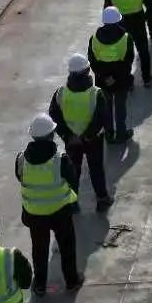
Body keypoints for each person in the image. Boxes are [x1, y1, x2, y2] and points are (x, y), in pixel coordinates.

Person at [17, 115, 82, 293]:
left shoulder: (21, 159)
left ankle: (39, 285)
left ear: (33, 136)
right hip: (60, 212)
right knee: (67, 247)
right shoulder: (61, 159)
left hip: (34, 215)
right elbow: (73, 180)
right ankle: (72, 281)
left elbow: (20, 178)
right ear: (51, 135)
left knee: (39, 250)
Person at [49, 54, 113, 212]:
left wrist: (68, 135)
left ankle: (72, 203)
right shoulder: (96, 93)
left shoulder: (60, 94)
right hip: (93, 140)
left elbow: (54, 116)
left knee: (73, 172)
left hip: (71, 141)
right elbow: (102, 118)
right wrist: (88, 135)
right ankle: (102, 199)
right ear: (88, 70)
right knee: (96, 169)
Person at [87, 6, 135, 142]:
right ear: (118, 20)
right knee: (120, 108)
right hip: (121, 80)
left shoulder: (94, 39)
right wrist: (114, 77)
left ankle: (108, 134)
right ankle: (121, 134)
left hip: (102, 81)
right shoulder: (126, 38)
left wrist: (105, 77)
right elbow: (128, 61)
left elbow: (92, 61)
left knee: (106, 108)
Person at [105, 0, 152, 86]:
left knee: (124, 56)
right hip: (139, 26)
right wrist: (144, 18)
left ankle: (128, 81)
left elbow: (107, 16)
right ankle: (147, 79)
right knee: (143, 52)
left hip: (121, 29)